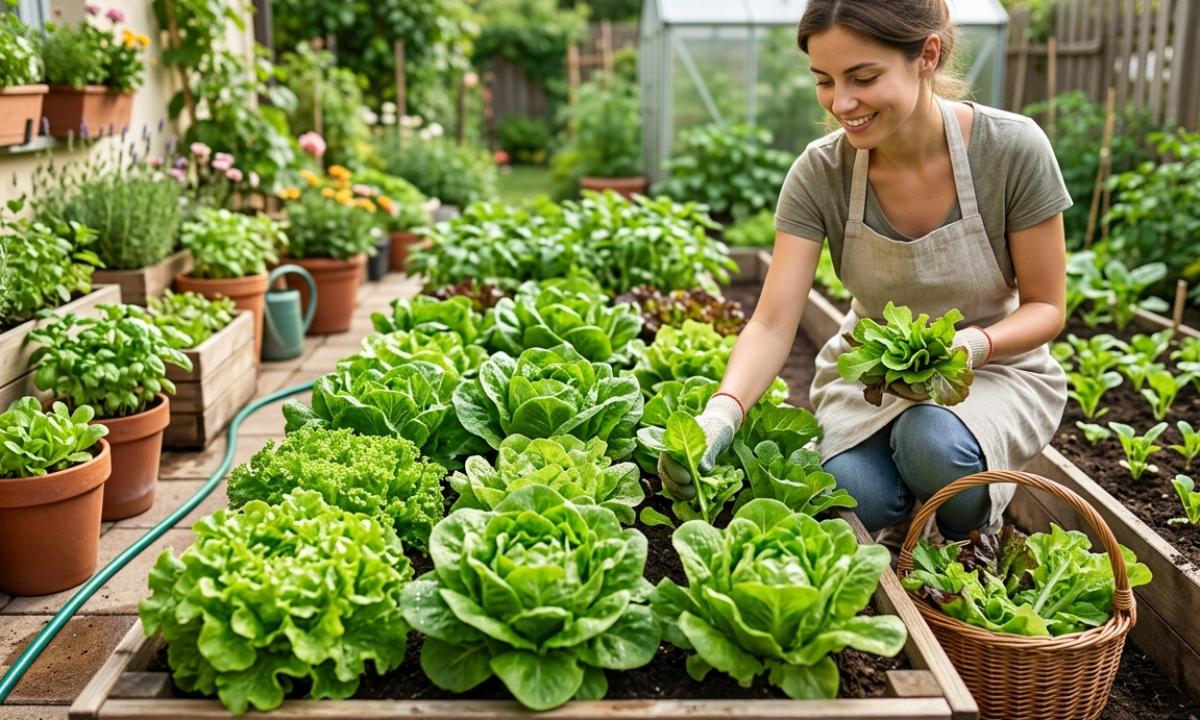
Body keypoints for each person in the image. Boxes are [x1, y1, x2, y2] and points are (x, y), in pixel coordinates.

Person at [657, 0, 1070, 541]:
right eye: (824, 81)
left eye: (863, 77)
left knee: (932, 440)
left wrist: (972, 346)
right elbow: (774, 322)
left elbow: (1047, 307)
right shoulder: (821, 171)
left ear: (928, 54)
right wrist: (722, 413)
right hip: (870, 377)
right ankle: (900, 526)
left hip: (995, 368)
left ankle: (969, 538)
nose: (842, 103)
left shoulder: (1011, 149)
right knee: (848, 489)